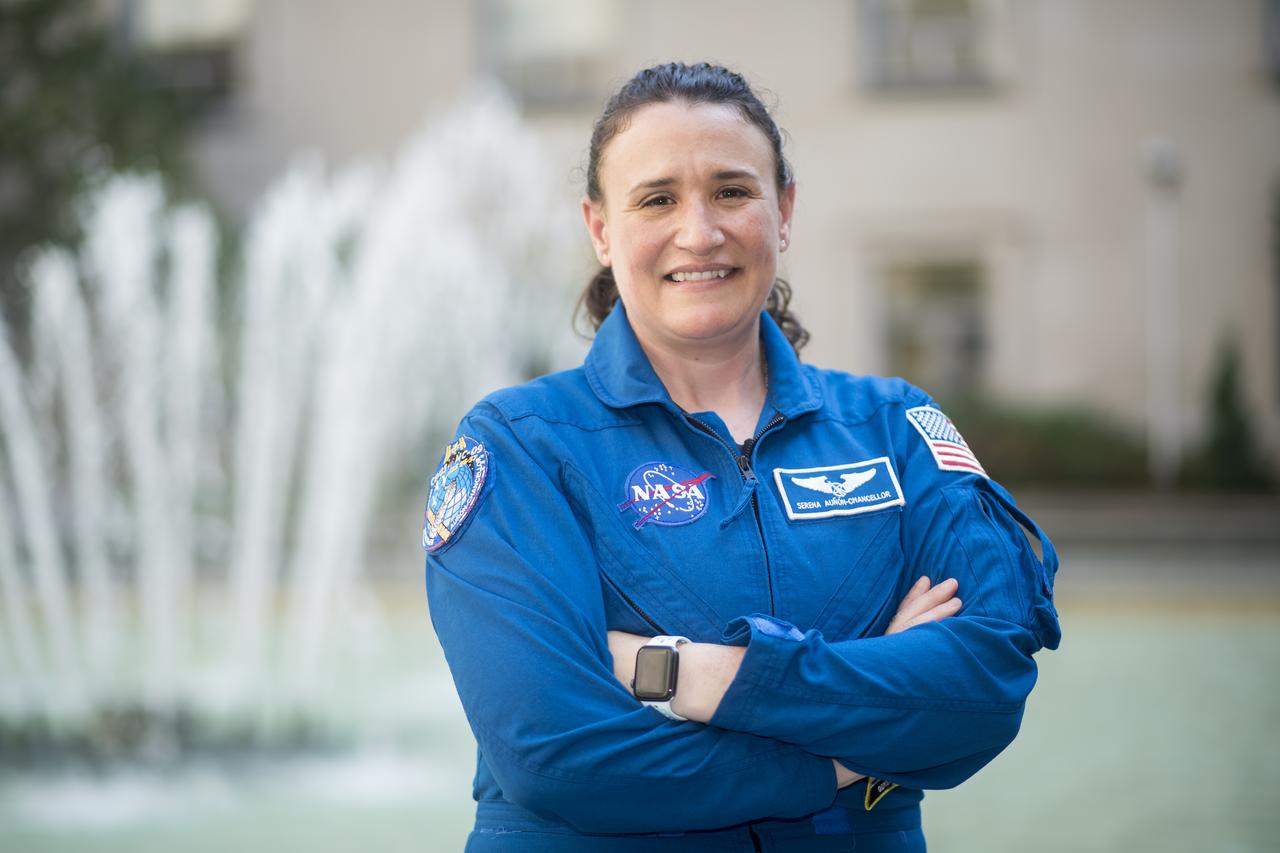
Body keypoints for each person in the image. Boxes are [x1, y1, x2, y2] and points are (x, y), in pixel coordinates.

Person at [423, 62, 1060, 852]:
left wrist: (699, 675)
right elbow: (558, 755)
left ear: (783, 209)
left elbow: (985, 687)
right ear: (599, 227)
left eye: (732, 191)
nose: (700, 232)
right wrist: (848, 748)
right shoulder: (519, 447)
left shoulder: (897, 427)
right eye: (657, 199)